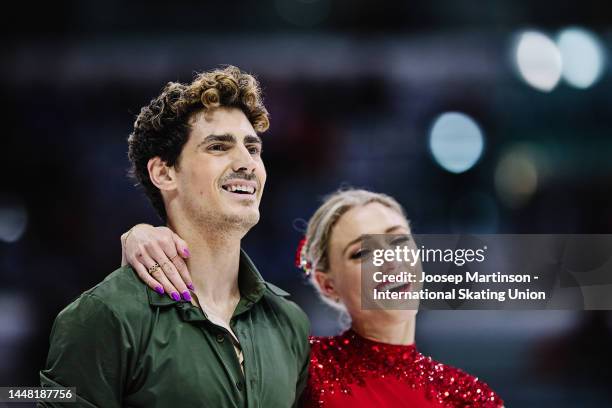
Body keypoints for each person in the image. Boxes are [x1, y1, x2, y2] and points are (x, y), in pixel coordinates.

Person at [39, 66, 310, 407]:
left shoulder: (289, 321)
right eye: (218, 147)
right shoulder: (105, 315)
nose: (246, 162)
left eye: (253, 148)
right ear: (164, 173)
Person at [123, 189, 504, 407]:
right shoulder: (299, 362)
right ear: (327, 285)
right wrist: (140, 235)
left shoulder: (469, 396)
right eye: (362, 253)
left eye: (398, 240)